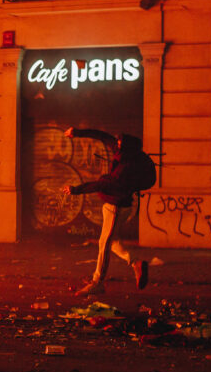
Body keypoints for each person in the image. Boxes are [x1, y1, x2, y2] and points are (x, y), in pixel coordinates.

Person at [60, 127, 149, 296]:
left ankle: (98, 282)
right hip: (113, 207)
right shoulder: (120, 151)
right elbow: (102, 135)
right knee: (112, 241)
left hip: (117, 207)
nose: (116, 143)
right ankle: (136, 263)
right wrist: (77, 132)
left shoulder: (125, 168)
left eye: (120, 142)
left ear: (127, 148)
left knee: (104, 243)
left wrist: (76, 189)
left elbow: (102, 185)